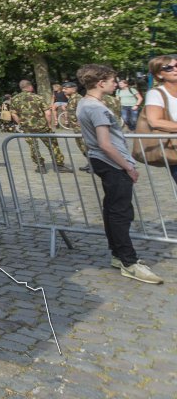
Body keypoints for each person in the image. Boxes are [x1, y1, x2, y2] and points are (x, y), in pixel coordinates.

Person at [77, 63, 163, 283]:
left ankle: (118, 255)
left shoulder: (85, 103)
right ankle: (128, 261)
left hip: (103, 161)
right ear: (100, 83)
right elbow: (105, 144)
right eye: (112, 81)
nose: (115, 84)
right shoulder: (96, 108)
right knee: (120, 213)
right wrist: (128, 167)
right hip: (111, 163)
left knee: (112, 210)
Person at [7, 79, 73, 173]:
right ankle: (59, 165)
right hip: (42, 126)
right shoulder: (38, 97)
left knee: (33, 147)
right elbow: (48, 113)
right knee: (52, 144)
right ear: (30, 87)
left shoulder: (15, 99)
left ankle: (40, 166)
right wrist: (49, 125)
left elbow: (13, 114)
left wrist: (20, 123)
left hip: (27, 127)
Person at [142, 54, 177, 185]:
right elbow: (154, 121)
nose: (175, 69)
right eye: (168, 68)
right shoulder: (156, 93)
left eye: (176, 65)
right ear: (159, 74)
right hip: (175, 147)